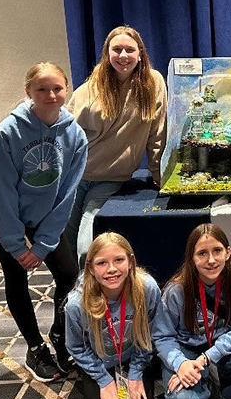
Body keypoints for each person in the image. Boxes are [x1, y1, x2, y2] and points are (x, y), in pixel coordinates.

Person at [0, 62, 88, 382]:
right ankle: (35, 348)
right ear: (29, 92)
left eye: (57, 88)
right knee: (17, 277)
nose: (51, 95)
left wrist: (42, 245)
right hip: (1, 215)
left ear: (66, 90)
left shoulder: (74, 135)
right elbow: (3, 193)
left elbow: (66, 196)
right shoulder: (8, 133)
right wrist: (16, 245)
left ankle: (61, 337)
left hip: (43, 215)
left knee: (68, 275)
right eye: (42, 89)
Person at [64, 25, 167, 263]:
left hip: (110, 178)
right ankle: (72, 295)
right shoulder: (94, 84)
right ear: (107, 53)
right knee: (64, 241)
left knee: (85, 246)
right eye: (117, 49)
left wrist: (159, 174)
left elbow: (157, 133)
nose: (123, 56)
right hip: (76, 174)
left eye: (129, 50)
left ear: (140, 53)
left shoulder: (153, 83)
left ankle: (88, 291)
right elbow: (67, 130)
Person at [155, 223, 231, 399]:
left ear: (228, 252)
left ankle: (225, 394)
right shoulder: (176, 290)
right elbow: (162, 337)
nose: (211, 260)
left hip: (219, 348)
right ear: (191, 258)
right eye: (202, 253)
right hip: (187, 349)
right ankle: (207, 387)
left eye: (217, 251)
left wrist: (207, 357)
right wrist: (180, 363)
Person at [64, 232, 161, 399]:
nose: (111, 269)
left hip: (135, 357)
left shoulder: (147, 289)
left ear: (130, 262)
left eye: (119, 260)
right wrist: (103, 380)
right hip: (99, 362)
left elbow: (153, 334)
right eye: (101, 263)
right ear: (90, 268)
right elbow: (76, 346)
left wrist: (135, 372)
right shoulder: (76, 304)